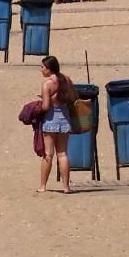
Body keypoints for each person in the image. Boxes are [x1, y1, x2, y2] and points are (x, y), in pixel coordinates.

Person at [36, 55, 76, 194]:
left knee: (48, 154)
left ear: (48, 69)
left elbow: (46, 106)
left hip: (50, 120)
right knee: (63, 154)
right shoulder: (67, 80)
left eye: (42, 67)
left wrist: (38, 105)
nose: (41, 70)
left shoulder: (47, 84)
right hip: (64, 119)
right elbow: (72, 98)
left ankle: (43, 186)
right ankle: (66, 187)